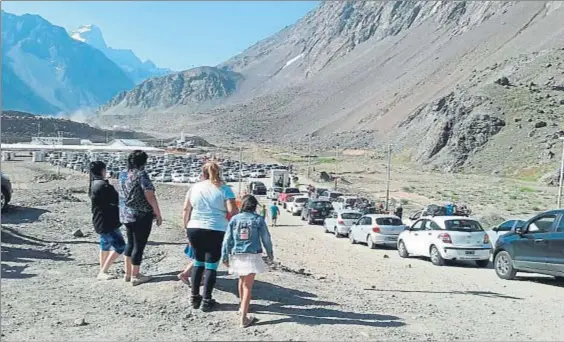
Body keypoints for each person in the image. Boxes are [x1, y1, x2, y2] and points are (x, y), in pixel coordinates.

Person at [182, 161, 238, 311]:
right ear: (219, 173)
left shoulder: (194, 188)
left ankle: (194, 298)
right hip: (216, 229)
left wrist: (186, 228)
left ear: (203, 173)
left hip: (194, 228)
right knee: (211, 265)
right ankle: (207, 300)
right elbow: (232, 211)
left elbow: (186, 209)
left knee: (198, 261)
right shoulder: (225, 189)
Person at [222, 195, 274, 328]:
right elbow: (266, 239)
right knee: (248, 287)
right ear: (254, 206)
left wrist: (225, 256)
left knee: (241, 281)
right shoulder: (258, 219)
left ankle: (242, 308)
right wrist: (270, 255)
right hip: (252, 255)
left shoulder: (234, 219)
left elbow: (227, 240)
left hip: (237, 255)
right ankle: (244, 318)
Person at [118, 150, 163, 286]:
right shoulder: (141, 175)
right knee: (139, 244)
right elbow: (150, 195)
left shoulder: (123, 174)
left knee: (130, 242)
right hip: (141, 214)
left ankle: (127, 273)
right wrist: (158, 213)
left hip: (126, 213)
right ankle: (136, 275)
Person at [89, 161, 124, 280]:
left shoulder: (93, 184)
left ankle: (102, 269)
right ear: (102, 171)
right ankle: (103, 271)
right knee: (120, 246)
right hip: (108, 221)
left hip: (99, 220)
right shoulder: (103, 185)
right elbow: (116, 199)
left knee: (105, 245)